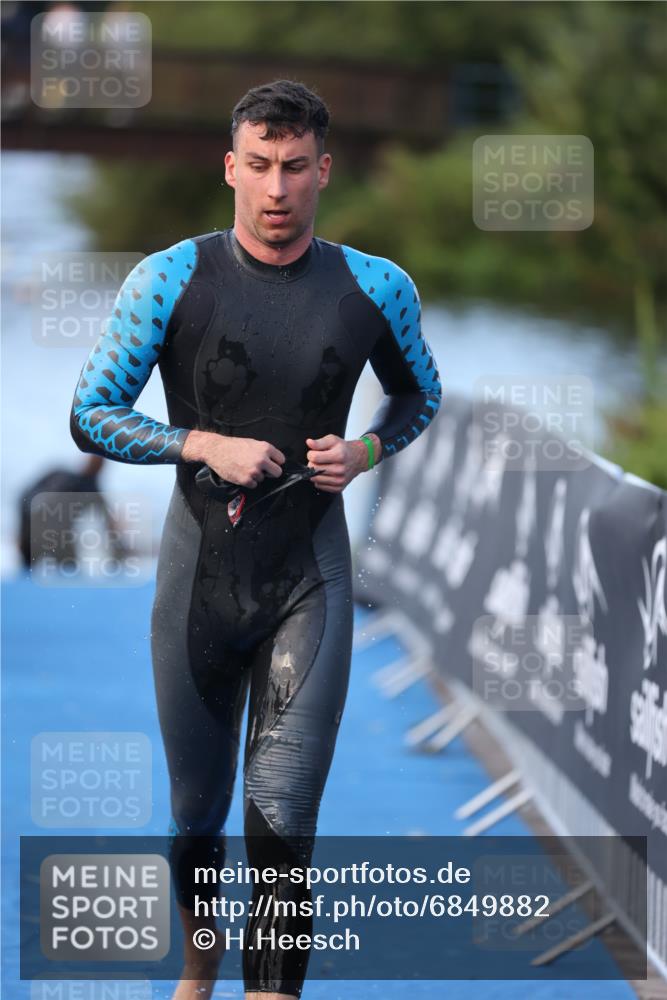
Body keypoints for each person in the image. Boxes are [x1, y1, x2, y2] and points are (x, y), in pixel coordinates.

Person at [70, 79, 442, 1000]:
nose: (277, 189)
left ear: (324, 170)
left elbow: (418, 396)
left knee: (283, 820)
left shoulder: (375, 288)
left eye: (295, 169)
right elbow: (89, 415)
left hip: (309, 581)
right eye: (260, 167)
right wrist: (198, 442)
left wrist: (364, 448)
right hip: (198, 582)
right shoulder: (167, 278)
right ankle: (199, 968)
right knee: (197, 819)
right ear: (231, 168)